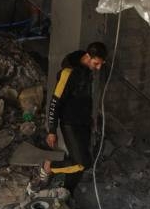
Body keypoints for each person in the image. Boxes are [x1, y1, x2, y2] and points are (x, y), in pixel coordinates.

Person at [36, 41, 108, 193]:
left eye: (101, 64)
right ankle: (49, 167)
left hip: (84, 122)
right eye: (96, 64)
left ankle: (67, 191)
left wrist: (91, 119)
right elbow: (55, 102)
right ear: (88, 56)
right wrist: (52, 130)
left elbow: (86, 99)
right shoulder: (68, 73)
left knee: (79, 163)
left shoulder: (87, 71)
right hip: (70, 124)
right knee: (82, 164)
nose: (98, 68)